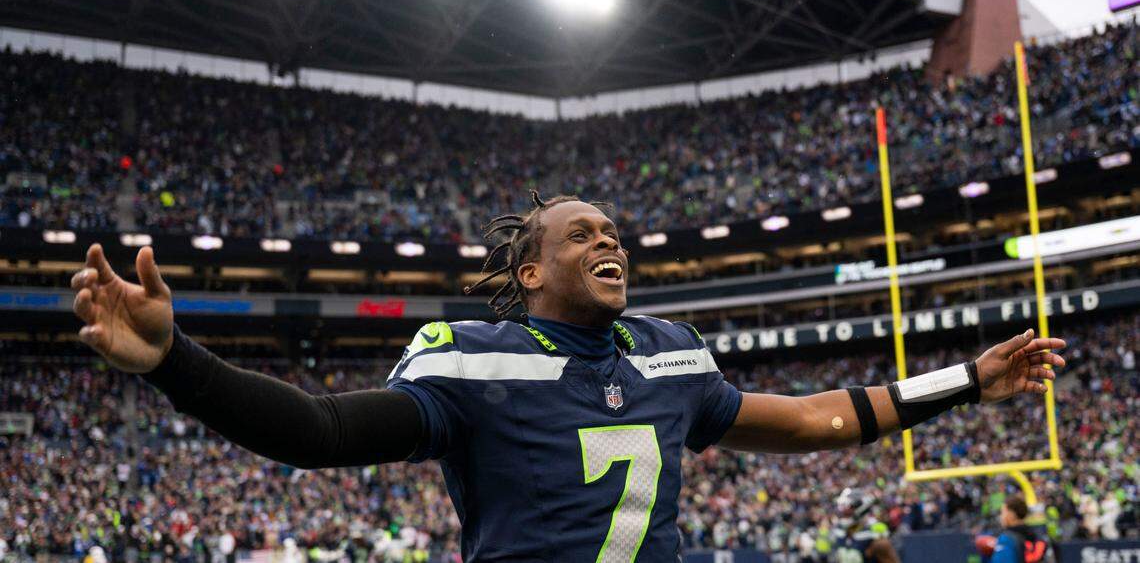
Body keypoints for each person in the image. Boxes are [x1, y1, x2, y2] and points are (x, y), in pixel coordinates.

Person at [70, 193, 1068, 562]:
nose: (609, 241)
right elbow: (319, 436)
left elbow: (815, 419)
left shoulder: (671, 356)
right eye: (582, 233)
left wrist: (969, 383)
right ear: (532, 269)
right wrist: (173, 362)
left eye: (615, 232)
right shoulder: (474, 360)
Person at [830, 488, 898, 563]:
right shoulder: (840, 531)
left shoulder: (875, 538)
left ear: (861, 508)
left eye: (846, 506)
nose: (841, 510)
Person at [990, 496, 1052, 563]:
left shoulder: (1006, 538)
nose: (1001, 516)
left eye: (1003, 512)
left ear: (1012, 514)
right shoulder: (1035, 536)